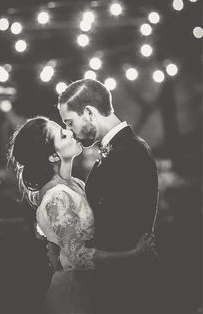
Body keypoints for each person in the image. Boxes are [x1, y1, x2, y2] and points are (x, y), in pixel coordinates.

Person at [8, 116, 156, 313]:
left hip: (93, 285)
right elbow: (78, 257)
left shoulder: (75, 183)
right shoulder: (57, 196)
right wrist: (132, 254)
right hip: (75, 292)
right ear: (53, 156)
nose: (70, 132)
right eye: (62, 134)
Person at [57, 79, 160, 313]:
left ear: (89, 112)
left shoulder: (129, 150)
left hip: (127, 285)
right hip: (117, 277)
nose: (70, 131)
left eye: (70, 122)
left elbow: (120, 225)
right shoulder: (118, 148)